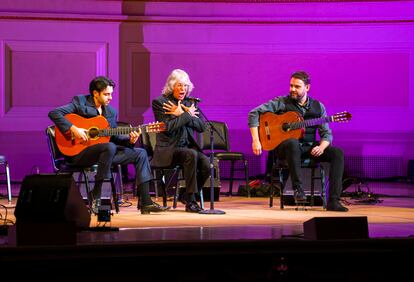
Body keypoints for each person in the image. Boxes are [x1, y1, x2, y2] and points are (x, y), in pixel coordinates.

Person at [48, 76, 169, 215]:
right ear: (95, 93)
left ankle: (146, 202)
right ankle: (97, 193)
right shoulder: (80, 102)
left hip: (105, 153)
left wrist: (130, 140)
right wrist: (74, 129)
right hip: (79, 153)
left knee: (140, 153)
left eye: (111, 94)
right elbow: (54, 113)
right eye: (106, 94)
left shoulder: (111, 112)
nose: (110, 97)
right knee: (109, 147)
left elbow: (113, 137)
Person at [248, 71, 348, 212]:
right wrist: (256, 141)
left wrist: (322, 146)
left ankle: (333, 201)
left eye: (297, 86)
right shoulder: (282, 102)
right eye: (291, 86)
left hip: (308, 148)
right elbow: (254, 113)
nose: (292, 89)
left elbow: (327, 135)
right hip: (286, 149)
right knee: (292, 143)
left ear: (307, 88)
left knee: (337, 152)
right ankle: (298, 189)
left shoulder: (318, 107)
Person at [151, 69, 210, 213]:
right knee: (191, 154)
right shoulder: (161, 102)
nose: (183, 89)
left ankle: (186, 194)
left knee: (206, 164)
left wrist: (182, 114)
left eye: (185, 86)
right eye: (179, 85)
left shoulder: (190, 103)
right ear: (172, 86)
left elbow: (202, 126)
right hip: (169, 150)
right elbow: (168, 127)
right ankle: (191, 202)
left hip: (187, 148)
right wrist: (186, 115)